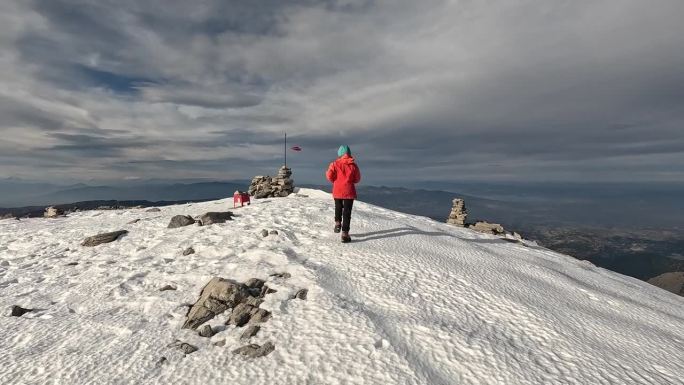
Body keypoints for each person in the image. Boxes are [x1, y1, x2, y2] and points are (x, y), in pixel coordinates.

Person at [326, 145, 361, 243]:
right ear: (349, 153)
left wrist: (335, 181)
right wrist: (350, 181)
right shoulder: (353, 165)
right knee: (347, 212)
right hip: (349, 191)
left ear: (339, 154)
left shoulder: (334, 164)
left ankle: (337, 223)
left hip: (337, 190)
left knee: (338, 206)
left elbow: (329, 175)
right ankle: (345, 234)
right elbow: (357, 178)